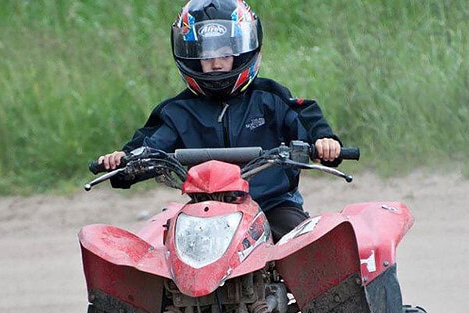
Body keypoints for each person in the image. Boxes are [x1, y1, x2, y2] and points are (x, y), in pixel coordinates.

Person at [98, 0, 341, 242]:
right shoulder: (177, 112)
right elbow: (150, 144)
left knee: (302, 245)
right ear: (192, 57)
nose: (216, 63)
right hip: (204, 210)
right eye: (207, 55)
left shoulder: (270, 98)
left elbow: (303, 117)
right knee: (165, 251)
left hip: (272, 205)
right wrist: (124, 161)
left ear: (243, 52)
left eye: (225, 53)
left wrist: (322, 141)